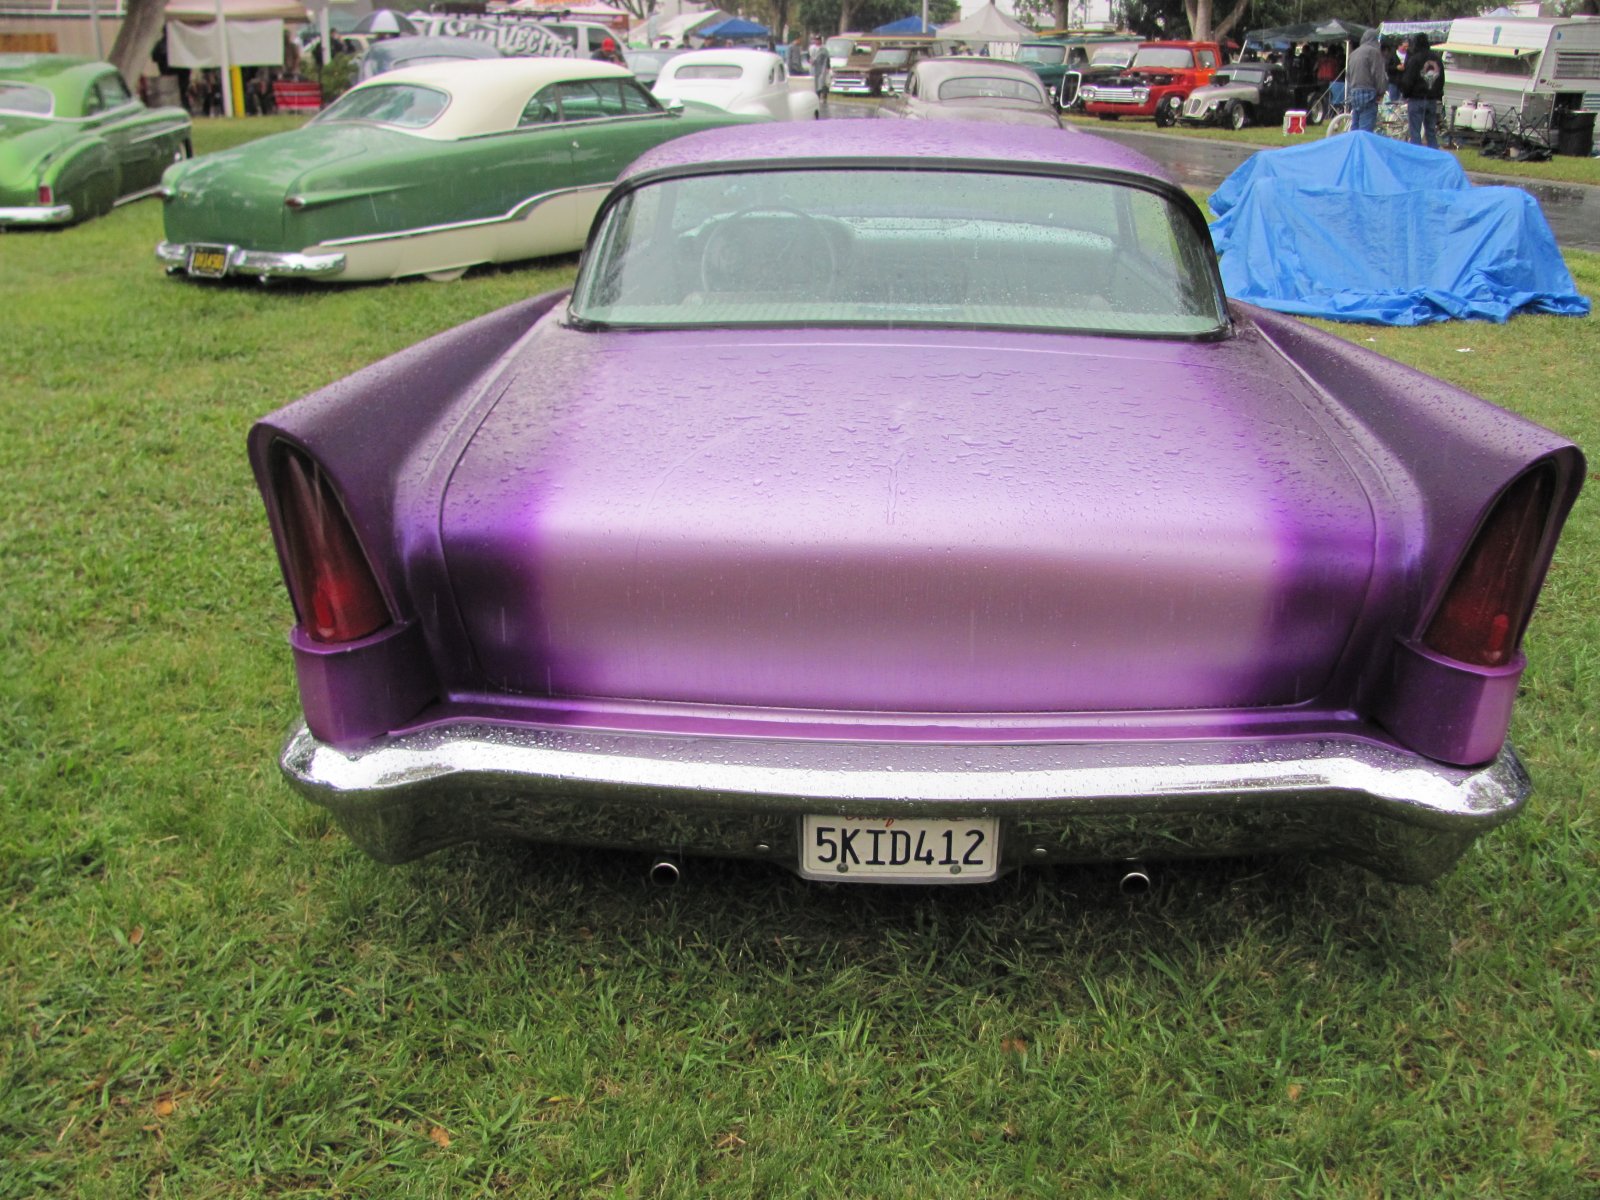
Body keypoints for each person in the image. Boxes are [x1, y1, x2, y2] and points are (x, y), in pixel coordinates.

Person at [1400, 31, 1444, 149]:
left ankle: (1417, 157)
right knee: (1431, 132)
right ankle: (1433, 157)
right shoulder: (1437, 59)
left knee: (1415, 132)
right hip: (1431, 100)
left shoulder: (1415, 59)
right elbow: (1441, 80)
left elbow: (1408, 80)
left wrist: (1405, 93)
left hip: (1416, 99)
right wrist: (1437, 94)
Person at [1346, 29, 1386, 133]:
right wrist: (1381, 92)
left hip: (1354, 93)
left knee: (1355, 129)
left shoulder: (1353, 54)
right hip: (1369, 94)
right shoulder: (1374, 52)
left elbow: (1348, 76)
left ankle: (1354, 147)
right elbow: (1379, 75)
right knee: (1365, 131)